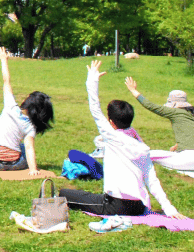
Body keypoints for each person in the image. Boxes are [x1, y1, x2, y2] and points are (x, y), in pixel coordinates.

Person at [60, 61, 182, 218]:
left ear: (111, 122)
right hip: (139, 206)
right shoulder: (142, 146)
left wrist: (92, 80)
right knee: (86, 195)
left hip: (115, 205)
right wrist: (169, 208)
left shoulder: (112, 136)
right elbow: (153, 181)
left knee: (65, 194)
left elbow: (95, 108)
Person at [125, 79, 194, 172]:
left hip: (189, 160)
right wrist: (176, 146)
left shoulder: (174, 111)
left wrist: (133, 90)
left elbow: (150, 105)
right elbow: (189, 134)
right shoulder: (193, 116)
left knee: (148, 154)